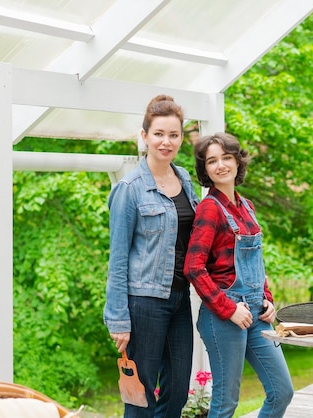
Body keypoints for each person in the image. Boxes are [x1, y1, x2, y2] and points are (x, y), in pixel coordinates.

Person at [184, 132, 294, 418]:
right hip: (224, 316)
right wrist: (228, 309)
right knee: (225, 403)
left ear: (237, 161)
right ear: (205, 169)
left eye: (226, 158)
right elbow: (193, 267)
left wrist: (267, 299)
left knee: (282, 391)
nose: (220, 165)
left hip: (257, 313)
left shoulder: (247, 206)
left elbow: (254, 260)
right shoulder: (209, 208)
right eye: (212, 161)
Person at [104, 95, 200, 418]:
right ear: (144, 136)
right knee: (140, 397)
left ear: (181, 139)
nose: (166, 141)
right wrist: (118, 318)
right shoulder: (129, 189)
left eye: (173, 135)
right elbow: (117, 258)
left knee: (177, 393)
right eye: (158, 134)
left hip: (179, 299)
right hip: (143, 303)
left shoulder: (185, 180)